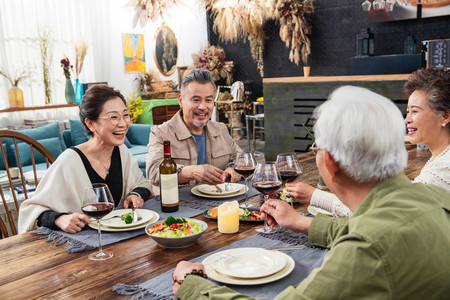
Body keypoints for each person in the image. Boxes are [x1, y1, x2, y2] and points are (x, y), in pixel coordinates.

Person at [171, 86, 450, 299]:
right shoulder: (436, 199)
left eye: (318, 149)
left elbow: (370, 238)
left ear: (329, 163)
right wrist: (301, 223)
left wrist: (192, 286)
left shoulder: (365, 251)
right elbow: (367, 227)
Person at [286, 68, 450, 218]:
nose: (407, 120)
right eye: (408, 111)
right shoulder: (440, 157)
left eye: (415, 111)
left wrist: (314, 196)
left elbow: (383, 216)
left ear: (445, 116)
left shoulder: (443, 169)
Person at [18, 85, 152, 234]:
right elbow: (31, 210)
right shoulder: (69, 161)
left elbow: (142, 184)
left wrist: (136, 194)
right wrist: (59, 219)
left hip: (120, 238)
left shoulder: (121, 151)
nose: (123, 123)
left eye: (125, 115)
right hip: (82, 242)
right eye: (113, 117)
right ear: (90, 124)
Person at [146, 68, 242, 194]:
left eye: (208, 100)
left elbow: (242, 158)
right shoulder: (161, 133)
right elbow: (153, 172)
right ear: (181, 101)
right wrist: (192, 172)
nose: (202, 107)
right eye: (196, 100)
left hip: (217, 204)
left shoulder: (221, 129)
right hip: (178, 207)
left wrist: (234, 169)